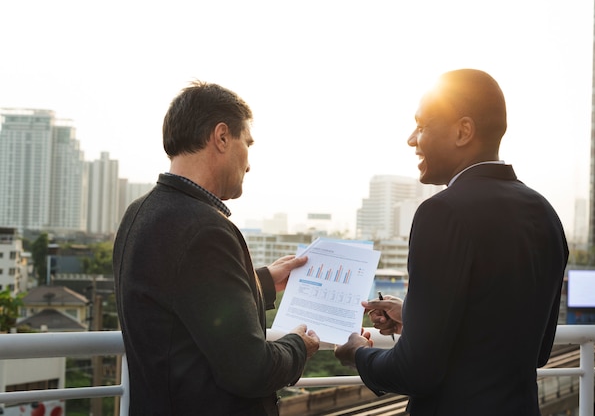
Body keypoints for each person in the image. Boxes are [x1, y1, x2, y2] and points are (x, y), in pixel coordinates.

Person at [334, 69, 569, 415]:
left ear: (463, 131)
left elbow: (416, 372)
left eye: (422, 125)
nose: (411, 139)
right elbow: (536, 349)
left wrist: (357, 352)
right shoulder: (545, 213)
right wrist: (416, 317)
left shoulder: (441, 213)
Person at [113, 81, 320, 415]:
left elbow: (181, 296)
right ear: (222, 137)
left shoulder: (140, 211)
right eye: (247, 144)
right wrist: (300, 345)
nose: (249, 163)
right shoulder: (204, 228)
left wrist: (263, 281)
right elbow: (250, 370)